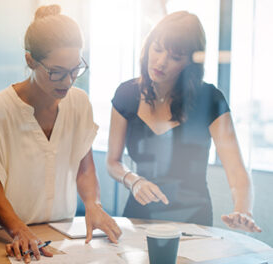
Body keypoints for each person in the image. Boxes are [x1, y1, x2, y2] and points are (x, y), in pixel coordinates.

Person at [0, 4, 121, 263]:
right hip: (8, 234)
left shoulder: (79, 103)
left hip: (60, 232)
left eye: (75, 70)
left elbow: (85, 167)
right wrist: (19, 230)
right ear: (30, 60)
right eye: (56, 72)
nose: (67, 82)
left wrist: (93, 204)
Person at [107, 11, 261, 232]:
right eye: (157, 49)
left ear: (190, 62)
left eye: (175, 57)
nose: (161, 62)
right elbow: (113, 162)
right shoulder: (126, 94)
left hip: (193, 221)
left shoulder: (210, 100)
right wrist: (133, 180)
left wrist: (243, 211)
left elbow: (237, 171)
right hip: (139, 218)